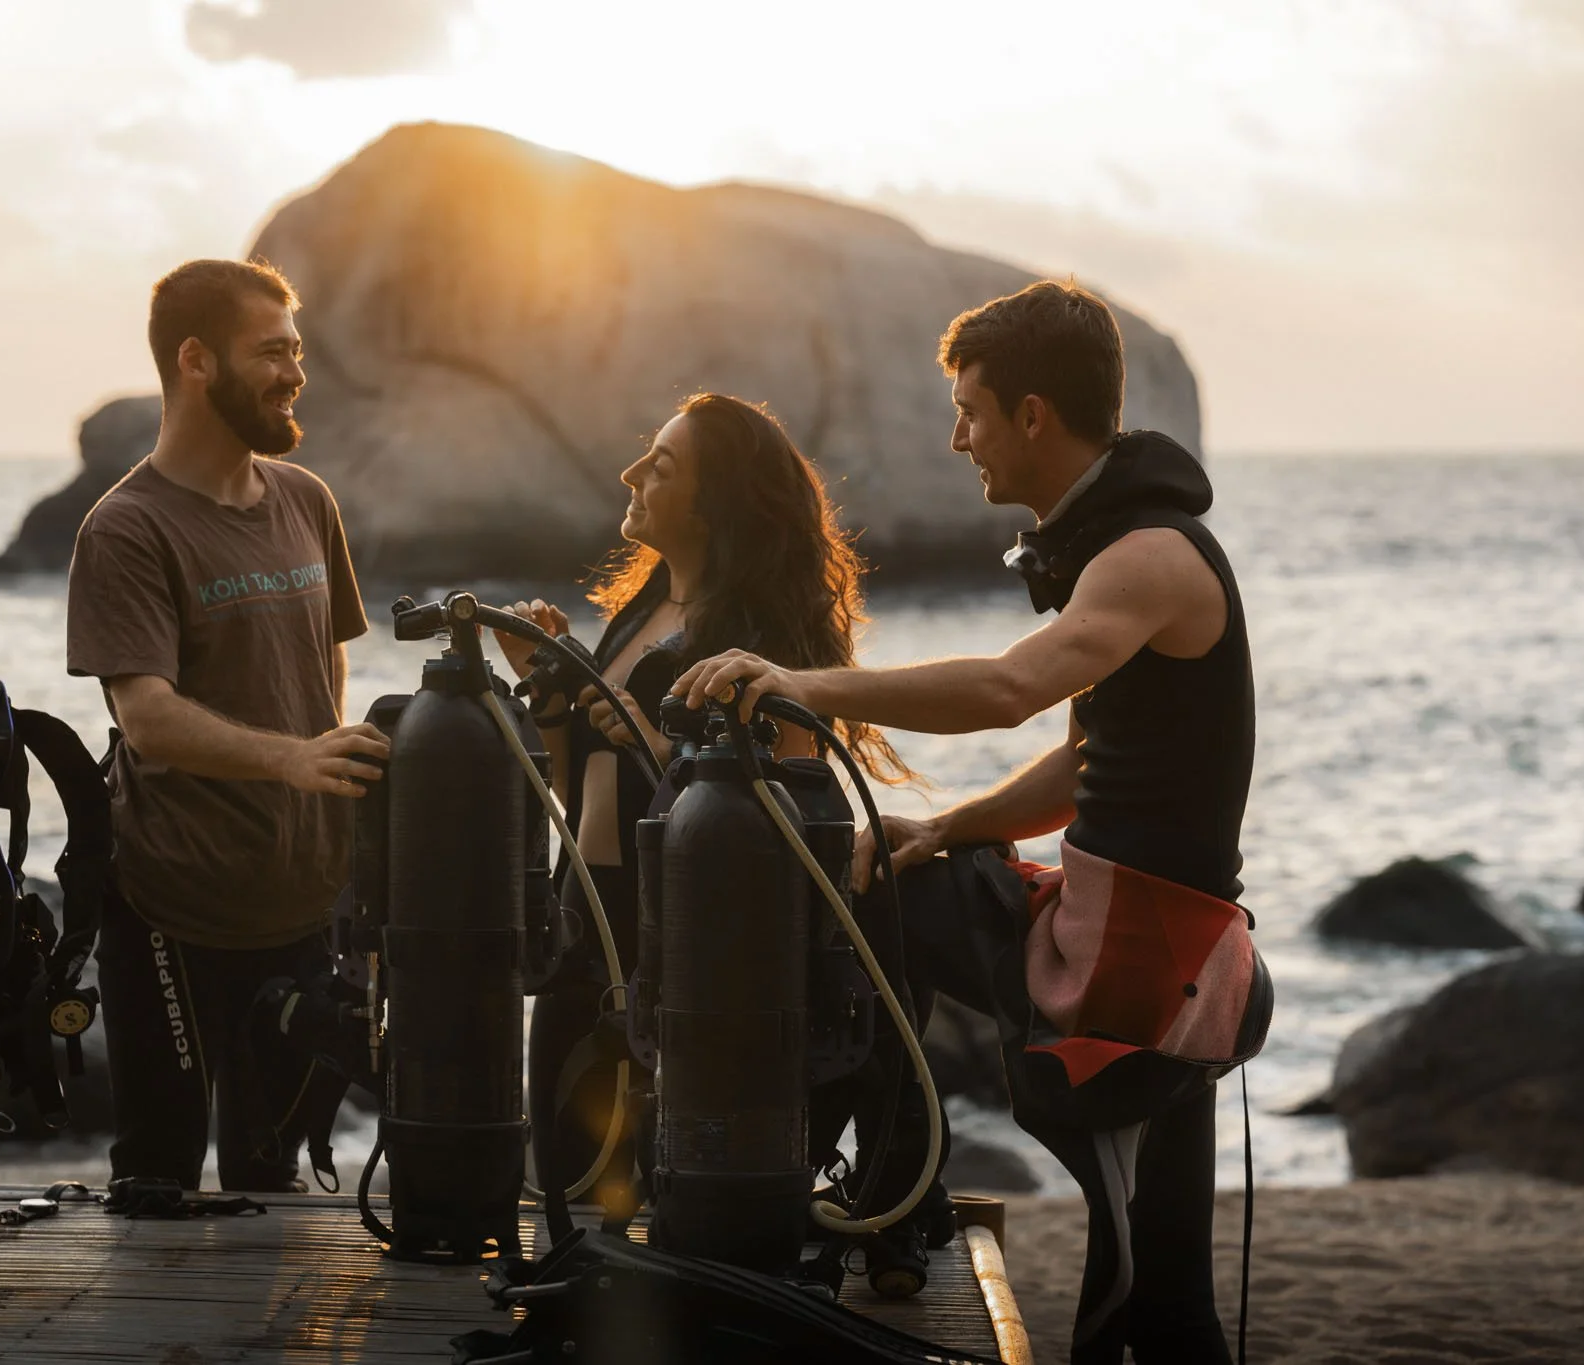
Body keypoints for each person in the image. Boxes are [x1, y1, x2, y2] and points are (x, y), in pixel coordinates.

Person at [674, 280, 1270, 1363]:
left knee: (1157, 1297)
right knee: (1160, 1292)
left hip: (1137, 963)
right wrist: (946, 828)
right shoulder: (1117, 550)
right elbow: (1084, 766)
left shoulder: (1146, 557)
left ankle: (886, 1196)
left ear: (1031, 415)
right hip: (1133, 934)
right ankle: (893, 1194)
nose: (957, 440)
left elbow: (1006, 691)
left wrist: (802, 684)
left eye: (970, 412)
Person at [490, 391, 919, 1230]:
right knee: (568, 1189)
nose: (631, 473)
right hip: (589, 918)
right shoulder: (636, 612)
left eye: (662, 464)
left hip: (687, 947)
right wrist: (547, 691)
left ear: (716, 501)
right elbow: (581, 795)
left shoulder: (760, 643)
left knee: (661, 1196)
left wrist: (650, 736)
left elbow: (787, 814)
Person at [66, 258, 390, 1194]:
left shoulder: (306, 501)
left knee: (268, 1179)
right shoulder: (126, 529)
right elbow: (148, 718)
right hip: (174, 905)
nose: (294, 373)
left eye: (297, 351)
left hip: (298, 902)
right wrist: (291, 761)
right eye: (272, 353)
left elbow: (322, 667)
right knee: (159, 1183)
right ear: (198, 361)